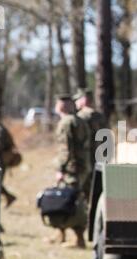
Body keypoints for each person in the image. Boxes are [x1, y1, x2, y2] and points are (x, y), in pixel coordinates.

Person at [50, 94, 91, 248]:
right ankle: (61, 234)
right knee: (74, 200)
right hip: (82, 166)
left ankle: (79, 239)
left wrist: (60, 168)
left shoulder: (66, 122)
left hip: (72, 169)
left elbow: (66, 149)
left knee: (70, 202)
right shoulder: (79, 120)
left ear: (60, 106)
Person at [73, 88, 108, 198]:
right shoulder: (100, 117)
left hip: (84, 162)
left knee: (84, 193)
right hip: (100, 162)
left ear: (84, 100)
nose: (75, 103)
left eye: (77, 100)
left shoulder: (80, 117)